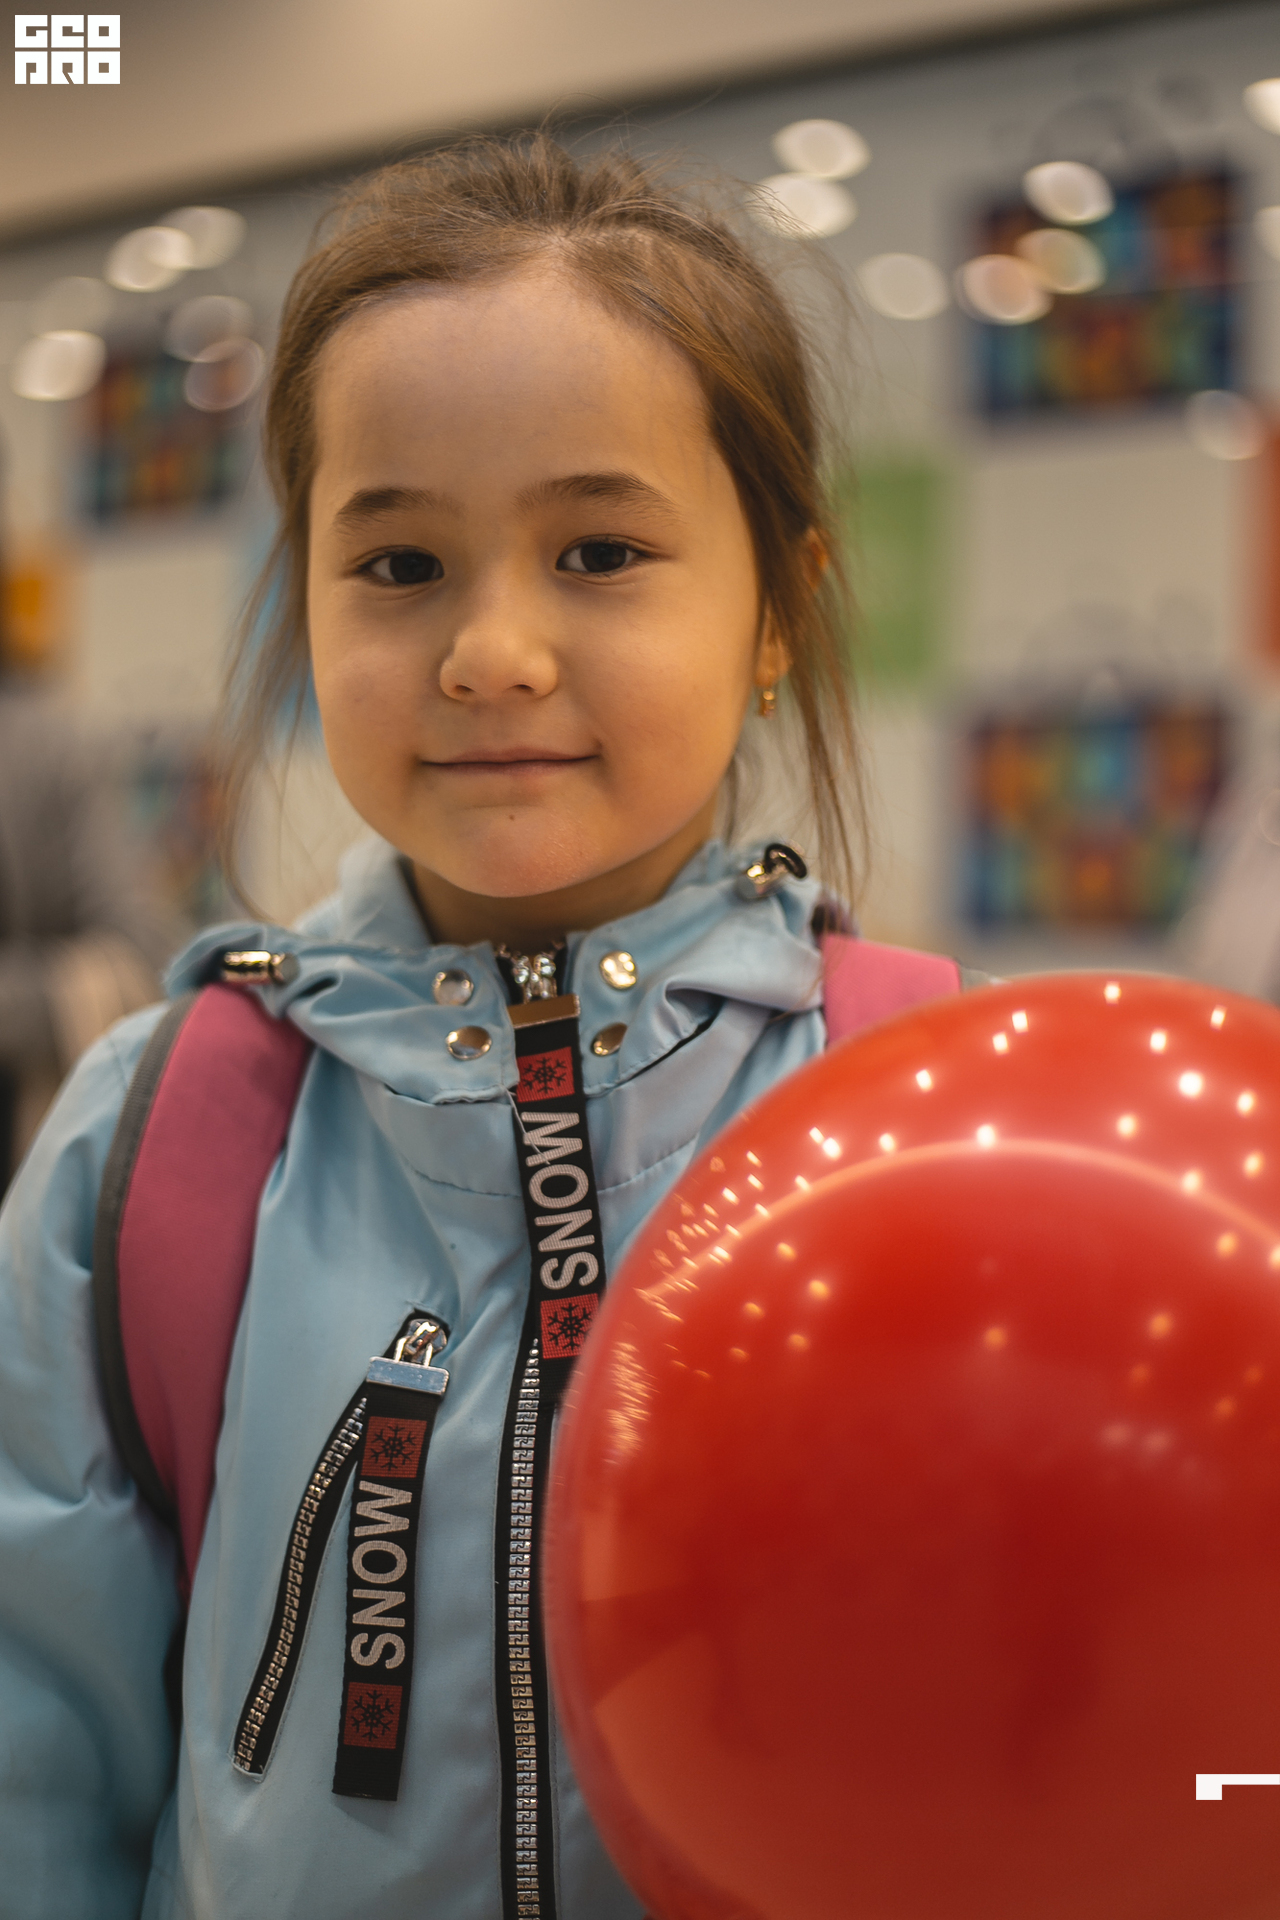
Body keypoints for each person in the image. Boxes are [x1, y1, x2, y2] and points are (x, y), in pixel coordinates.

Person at [0, 134, 945, 1919]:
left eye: (599, 550)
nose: (490, 650)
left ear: (780, 609)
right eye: (400, 564)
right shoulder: (157, 1135)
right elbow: (33, 1756)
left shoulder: (921, 1120)